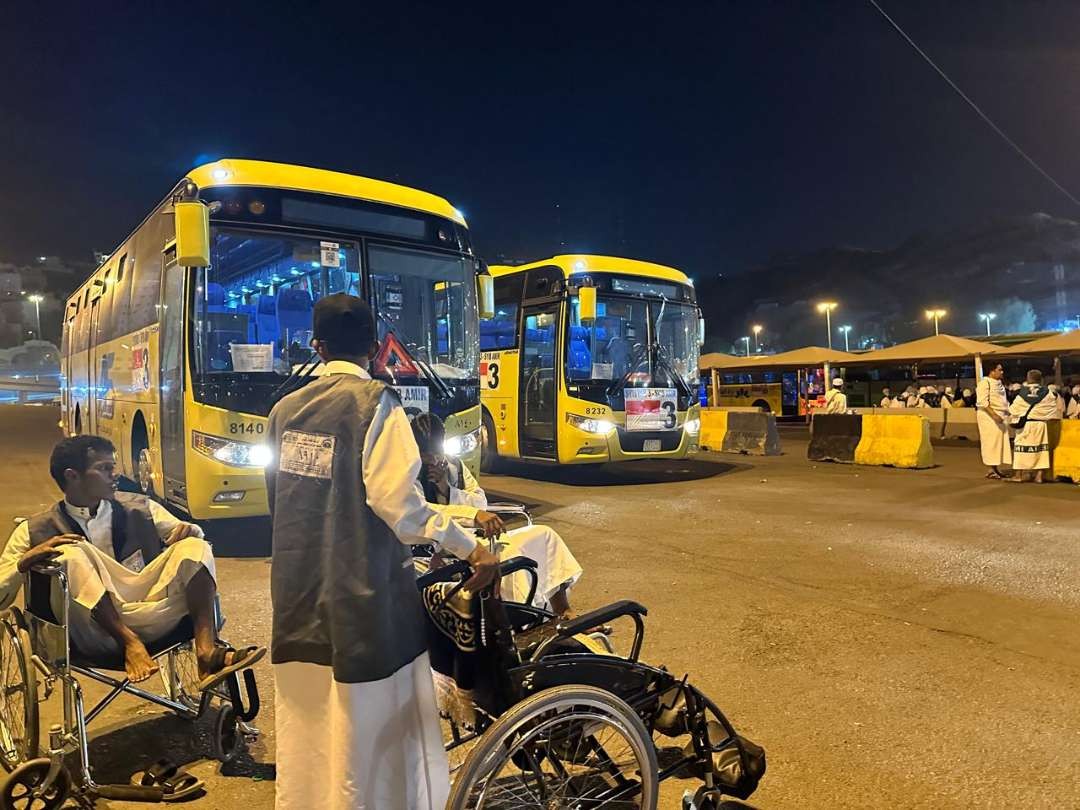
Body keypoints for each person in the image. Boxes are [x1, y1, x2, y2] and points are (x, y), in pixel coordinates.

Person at [264, 293, 499, 810]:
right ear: (375, 347)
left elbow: (279, 504)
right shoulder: (377, 404)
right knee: (367, 739)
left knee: (310, 733)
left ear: (315, 346)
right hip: (365, 604)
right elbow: (402, 509)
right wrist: (470, 547)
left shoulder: (282, 412)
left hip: (298, 598)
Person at [0, 436, 264, 685]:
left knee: (195, 546)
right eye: (104, 468)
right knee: (71, 552)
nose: (115, 474)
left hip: (147, 612)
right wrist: (25, 562)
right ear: (72, 476)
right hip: (86, 630)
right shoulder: (33, 530)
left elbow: (183, 535)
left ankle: (206, 650)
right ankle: (129, 642)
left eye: (113, 467)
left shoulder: (141, 508)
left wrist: (190, 532)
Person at [410, 412, 582, 617]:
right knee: (511, 554)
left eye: (435, 452)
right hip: (441, 547)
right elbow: (423, 513)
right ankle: (524, 620)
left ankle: (563, 611)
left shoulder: (453, 466)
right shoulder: (408, 472)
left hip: (475, 537)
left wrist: (446, 488)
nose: (432, 459)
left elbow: (480, 501)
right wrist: (473, 515)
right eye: (426, 453)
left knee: (543, 535)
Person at [1007, 369, 1059, 484]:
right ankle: (1039, 476)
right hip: (1040, 424)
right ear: (1040, 379)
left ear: (1028, 378)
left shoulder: (1022, 393)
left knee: (1021, 449)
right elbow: (1053, 408)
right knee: (1041, 450)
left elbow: (1013, 409)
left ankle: (1018, 475)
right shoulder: (1048, 392)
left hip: (1026, 425)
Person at [976, 363, 1012, 479]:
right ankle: (991, 469)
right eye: (999, 370)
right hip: (988, 417)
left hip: (1000, 416)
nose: (1002, 372)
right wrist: (994, 415)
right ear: (992, 371)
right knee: (990, 442)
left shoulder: (999, 383)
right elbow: (982, 402)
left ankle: (995, 468)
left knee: (999, 443)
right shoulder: (984, 383)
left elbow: (1003, 400)